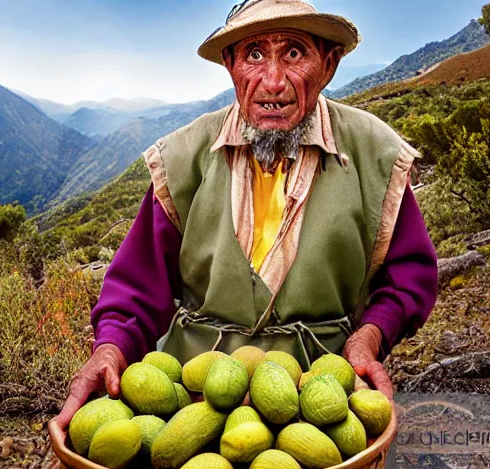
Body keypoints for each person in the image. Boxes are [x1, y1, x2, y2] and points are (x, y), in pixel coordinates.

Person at [55, 0, 437, 437]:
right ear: (230, 64)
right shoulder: (184, 156)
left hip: (322, 396)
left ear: (328, 64)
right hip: (194, 396)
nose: (272, 82)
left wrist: (369, 337)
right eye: (255, 54)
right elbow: (138, 286)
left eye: (293, 53)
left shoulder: (375, 155)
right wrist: (110, 349)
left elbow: (409, 276)